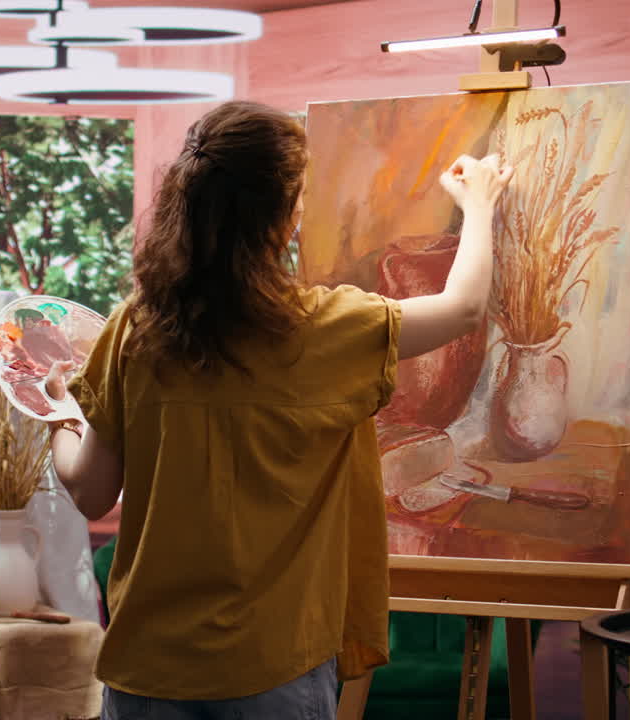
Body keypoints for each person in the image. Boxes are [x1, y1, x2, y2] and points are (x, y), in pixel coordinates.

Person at [44, 100, 513, 719]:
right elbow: (463, 309)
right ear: (283, 218)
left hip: (148, 670)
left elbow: (90, 490)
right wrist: (478, 205)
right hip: (275, 671)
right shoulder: (325, 329)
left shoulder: (136, 330)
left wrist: (59, 414)